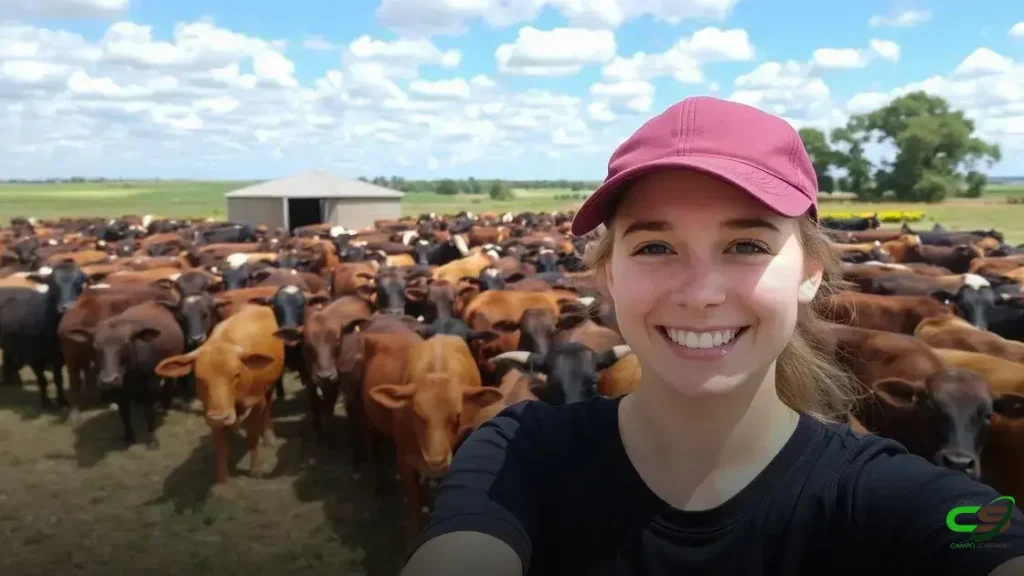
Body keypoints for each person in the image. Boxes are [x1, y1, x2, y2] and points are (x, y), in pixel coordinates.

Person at [399, 96, 1024, 575]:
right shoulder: (517, 450)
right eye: (656, 246)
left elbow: (991, 533)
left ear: (808, 275)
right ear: (608, 275)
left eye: (747, 245)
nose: (700, 292)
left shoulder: (886, 490)